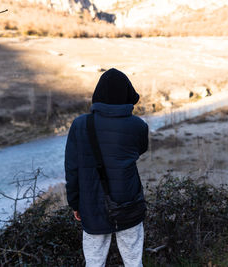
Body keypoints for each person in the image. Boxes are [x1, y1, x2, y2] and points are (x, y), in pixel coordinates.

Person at [65, 68, 148, 267]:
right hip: (128, 203)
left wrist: (75, 203)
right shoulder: (138, 126)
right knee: (133, 262)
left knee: (94, 263)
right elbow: (140, 150)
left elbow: (72, 168)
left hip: (91, 205)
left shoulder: (79, 125)